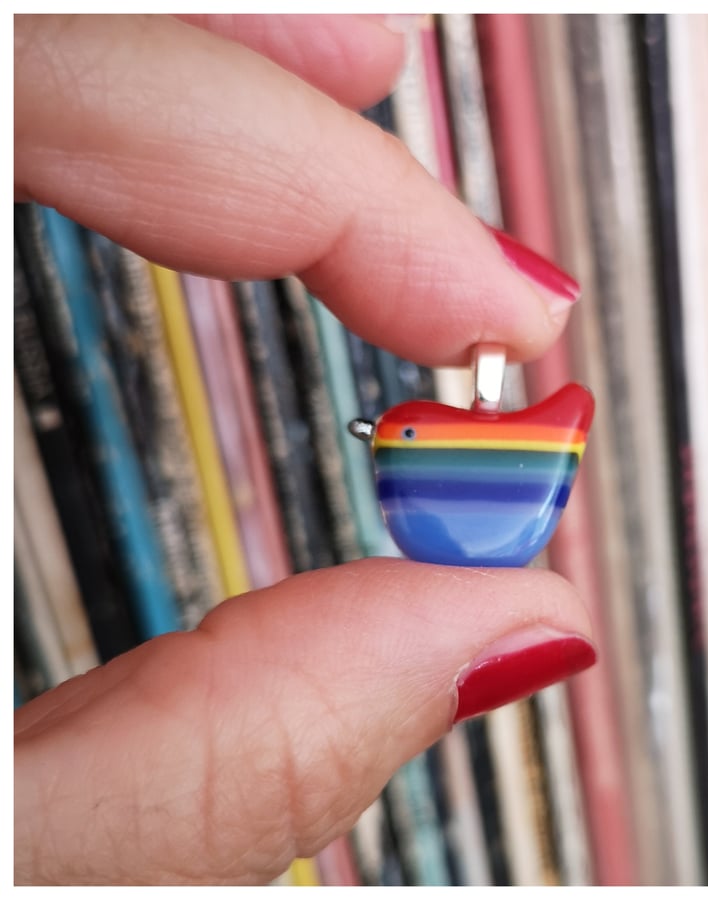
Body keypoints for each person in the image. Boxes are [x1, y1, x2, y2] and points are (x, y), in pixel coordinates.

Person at [14, 14, 596, 885]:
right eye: (389, 436)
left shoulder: (455, 447)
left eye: (391, 436)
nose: (381, 439)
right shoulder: (430, 446)